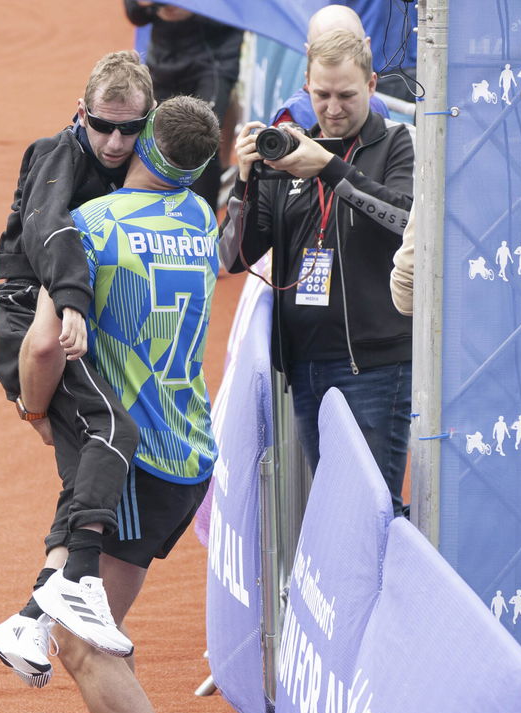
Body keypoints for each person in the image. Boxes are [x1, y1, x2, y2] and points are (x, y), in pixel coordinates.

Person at [30, 95, 221, 713]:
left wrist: (35, 412)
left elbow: (45, 345)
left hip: (130, 462)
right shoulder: (201, 218)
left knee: (77, 640)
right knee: (102, 622)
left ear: (140, 139)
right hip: (188, 453)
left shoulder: (93, 225)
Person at [0, 51, 155, 686]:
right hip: (33, 316)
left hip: (66, 323)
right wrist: (73, 304)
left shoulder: (140, 160)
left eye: (129, 129)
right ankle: (80, 580)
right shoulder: (56, 153)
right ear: (80, 114)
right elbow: (51, 233)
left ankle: (28, 620)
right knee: (118, 432)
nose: (114, 142)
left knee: (84, 477)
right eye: (102, 126)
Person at [221, 29, 413, 515]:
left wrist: (329, 167)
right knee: (332, 510)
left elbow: (406, 219)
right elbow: (233, 258)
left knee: (371, 510)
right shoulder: (284, 155)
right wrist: (244, 183)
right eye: (321, 95)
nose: (332, 108)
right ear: (305, 86)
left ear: (371, 85)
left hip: (374, 365)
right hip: (306, 366)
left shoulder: (395, 145)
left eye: (346, 95)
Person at [123, 1, 243, 213]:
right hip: (164, 61)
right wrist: (151, 7)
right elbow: (135, 14)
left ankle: (202, 224)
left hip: (213, 60)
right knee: (151, 135)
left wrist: (196, 7)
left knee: (203, 136)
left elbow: (241, 12)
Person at [270, 4, 389, 129]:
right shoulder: (292, 116)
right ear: (309, 53)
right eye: (323, 95)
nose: (333, 110)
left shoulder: (378, 107)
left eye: (350, 45)